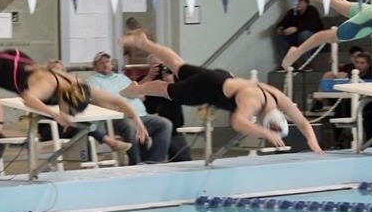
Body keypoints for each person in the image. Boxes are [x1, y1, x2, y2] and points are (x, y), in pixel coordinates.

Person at [121, 29, 323, 152]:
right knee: (169, 90)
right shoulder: (254, 102)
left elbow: (303, 122)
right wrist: (264, 133)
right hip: (207, 87)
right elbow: (238, 122)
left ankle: (144, 42)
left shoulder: (278, 98)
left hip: (221, 77)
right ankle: (135, 89)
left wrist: (313, 142)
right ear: (267, 121)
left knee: (177, 65)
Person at [0, 38, 150, 143]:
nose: (66, 110)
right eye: (67, 107)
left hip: (18, 59)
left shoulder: (78, 84)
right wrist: (55, 115)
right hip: (2, 69)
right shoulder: (48, 85)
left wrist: (137, 122)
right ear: (66, 99)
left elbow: (118, 102)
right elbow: (28, 99)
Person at [87, 51, 171, 165]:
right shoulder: (92, 81)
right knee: (129, 126)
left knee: (165, 124)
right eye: (101, 63)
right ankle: (135, 163)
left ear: (111, 64)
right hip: (117, 118)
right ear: (95, 66)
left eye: (107, 61)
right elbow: (96, 101)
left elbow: (140, 96)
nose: (105, 64)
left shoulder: (121, 78)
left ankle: (154, 162)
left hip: (140, 115)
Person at [273, 0, 324, 64]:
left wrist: (296, 29)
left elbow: (312, 25)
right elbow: (284, 22)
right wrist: (280, 28)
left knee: (304, 34)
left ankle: (306, 62)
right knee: (280, 37)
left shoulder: (312, 10)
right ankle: (286, 63)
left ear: (306, 2)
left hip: (314, 38)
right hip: (297, 39)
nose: (297, 3)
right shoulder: (292, 12)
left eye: (300, 1)